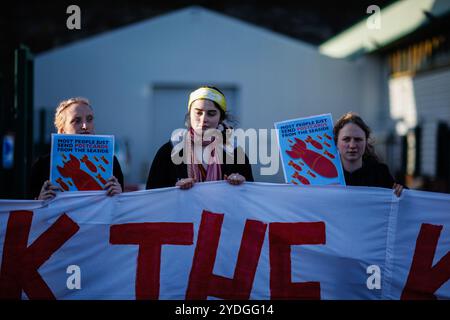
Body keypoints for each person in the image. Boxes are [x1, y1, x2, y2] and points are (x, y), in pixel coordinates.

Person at [146, 86, 253, 190]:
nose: (203, 119)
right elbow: (152, 196)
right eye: (198, 113)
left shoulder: (234, 153)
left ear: (221, 118)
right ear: (189, 115)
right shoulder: (169, 151)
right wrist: (175, 189)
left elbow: (250, 197)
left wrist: (242, 184)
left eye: (211, 114)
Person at [30, 97, 124, 200]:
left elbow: (120, 210)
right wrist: (39, 201)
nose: (85, 126)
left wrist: (119, 195)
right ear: (62, 131)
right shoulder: (41, 165)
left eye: (89, 119)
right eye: (77, 121)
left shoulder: (112, 163)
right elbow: (26, 209)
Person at [333, 112, 404, 197]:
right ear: (336, 143)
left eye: (358, 139)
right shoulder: (325, 178)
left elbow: (406, 201)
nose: (352, 145)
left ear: (366, 142)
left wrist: (402, 191)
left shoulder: (380, 174)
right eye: (346, 139)